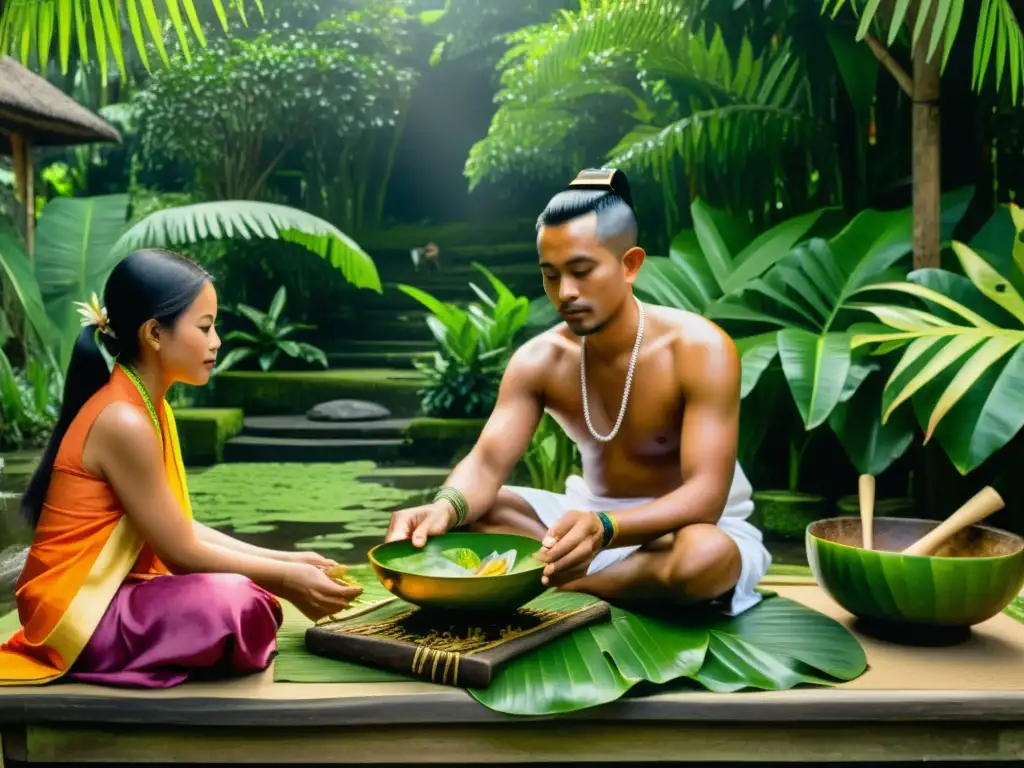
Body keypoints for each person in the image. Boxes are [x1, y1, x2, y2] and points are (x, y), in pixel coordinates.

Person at [385, 169, 770, 616]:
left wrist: (605, 528)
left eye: (582, 271)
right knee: (469, 517)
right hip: (578, 524)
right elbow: (487, 462)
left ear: (630, 265)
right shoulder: (541, 360)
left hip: (682, 531)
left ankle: (567, 590)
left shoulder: (699, 348)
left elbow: (706, 496)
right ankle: (591, 580)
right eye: (551, 276)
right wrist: (445, 508)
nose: (565, 293)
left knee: (706, 557)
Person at [0, 249, 360, 688]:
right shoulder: (123, 420)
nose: (217, 342)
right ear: (154, 333)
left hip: (111, 594)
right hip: (76, 611)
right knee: (237, 604)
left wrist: (285, 558)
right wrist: (286, 578)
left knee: (246, 598)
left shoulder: (149, 407)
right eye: (205, 327)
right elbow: (182, 553)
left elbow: (179, 529)